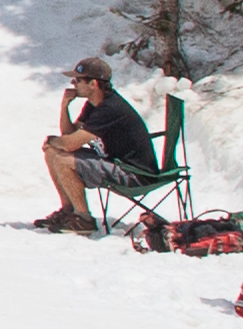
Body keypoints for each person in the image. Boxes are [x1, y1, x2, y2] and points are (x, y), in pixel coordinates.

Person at [33, 57, 161, 234]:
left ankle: (84, 219)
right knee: (52, 152)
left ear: (93, 83)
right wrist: (64, 107)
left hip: (134, 174)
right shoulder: (94, 104)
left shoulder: (110, 108)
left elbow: (70, 144)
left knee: (62, 158)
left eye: (78, 80)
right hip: (116, 163)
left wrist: (52, 140)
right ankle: (69, 211)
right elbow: (68, 134)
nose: (73, 83)